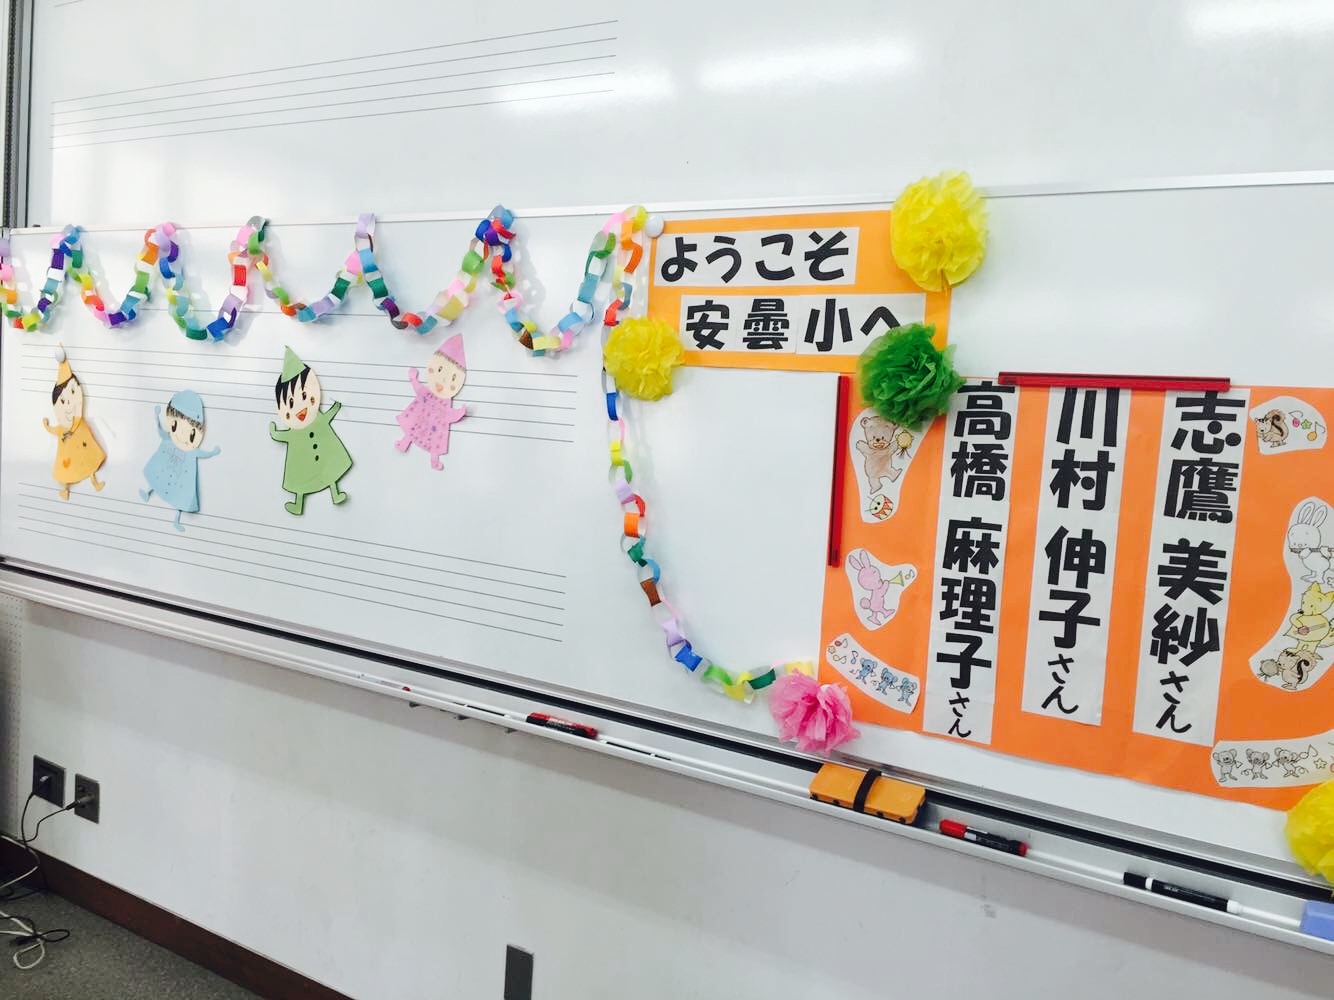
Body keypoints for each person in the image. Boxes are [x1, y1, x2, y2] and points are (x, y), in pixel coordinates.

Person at [268, 348, 352, 515]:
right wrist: (275, 433)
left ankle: (335, 494)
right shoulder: (295, 430)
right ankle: (298, 505)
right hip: (303, 462)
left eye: (305, 395)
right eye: (291, 403)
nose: (300, 408)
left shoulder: (317, 419)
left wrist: (336, 407)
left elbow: (327, 417)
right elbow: (283, 436)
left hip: (325, 455)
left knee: (331, 471)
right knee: (301, 480)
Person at [140, 389, 220, 531]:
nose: (181, 435)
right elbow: (160, 431)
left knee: (181, 496)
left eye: (191, 434)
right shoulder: (169, 440)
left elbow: (202, 454)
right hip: (167, 469)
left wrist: (212, 453)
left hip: (180, 477)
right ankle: (148, 492)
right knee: (159, 479)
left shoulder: (191, 451)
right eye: (175, 425)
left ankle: (176, 519)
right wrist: (156, 417)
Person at [395, 333, 468, 470]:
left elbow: (448, 415)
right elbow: (420, 390)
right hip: (421, 418)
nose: (443, 380)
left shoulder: (446, 400)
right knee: (414, 427)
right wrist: (413, 379)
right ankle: (404, 443)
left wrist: (460, 413)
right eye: (440, 370)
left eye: (452, 378)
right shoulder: (430, 391)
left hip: (435, 425)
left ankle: (434, 461)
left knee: (435, 439)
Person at [42, 346, 106, 500]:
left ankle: (94, 480)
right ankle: (65, 489)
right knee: (66, 470)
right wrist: (47, 426)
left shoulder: (80, 423)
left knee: (89, 459)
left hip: (83, 446)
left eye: (72, 392)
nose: (69, 404)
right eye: (63, 401)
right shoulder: (63, 427)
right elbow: (55, 430)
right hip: (67, 457)